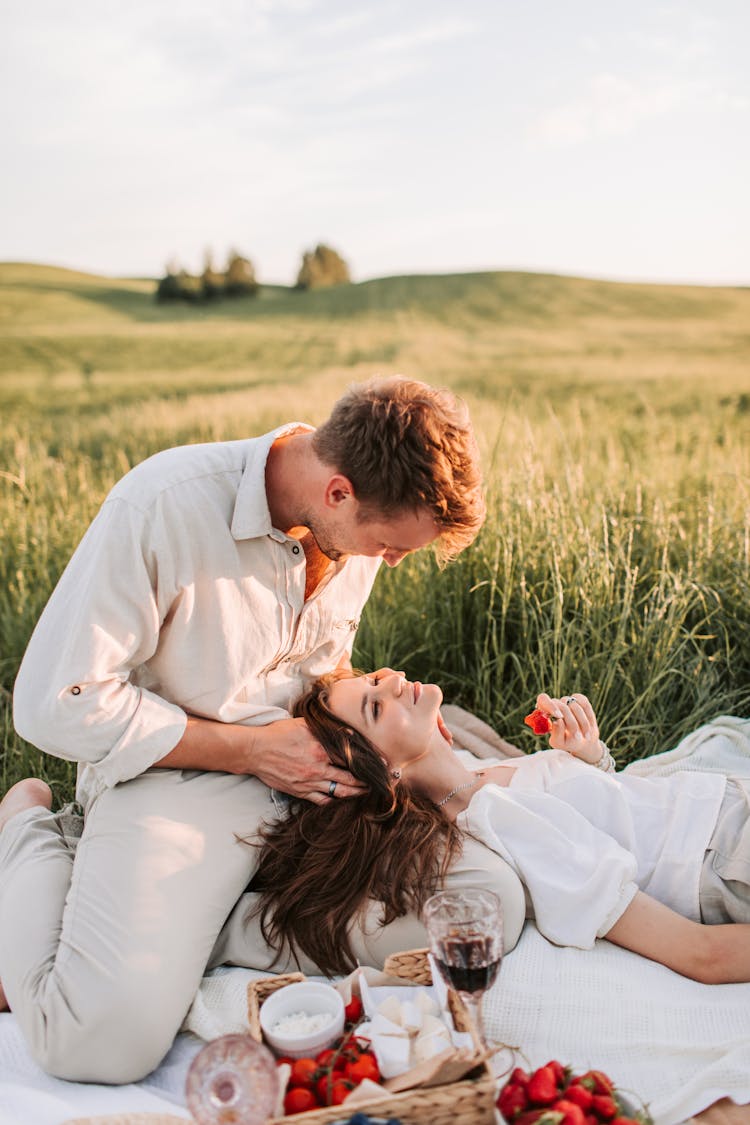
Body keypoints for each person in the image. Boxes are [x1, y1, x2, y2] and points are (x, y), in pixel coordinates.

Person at [0, 375, 525, 1084]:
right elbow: (53, 702)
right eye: (390, 544)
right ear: (338, 491)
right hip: (182, 780)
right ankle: (39, 830)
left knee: (485, 900)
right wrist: (251, 750)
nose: (392, 561)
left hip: (312, 779)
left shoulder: (347, 535)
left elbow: (317, 662)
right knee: (96, 1044)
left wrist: (397, 738)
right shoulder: (165, 505)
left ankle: (203, 930)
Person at [247, 669, 750, 983]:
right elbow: (697, 954)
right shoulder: (496, 821)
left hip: (722, 808)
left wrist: (589, 758)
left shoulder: (477, 776)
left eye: (375, 679)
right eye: (376, 706)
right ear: (385, 771)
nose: (395, 680)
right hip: (724, 856)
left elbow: (612, 820)